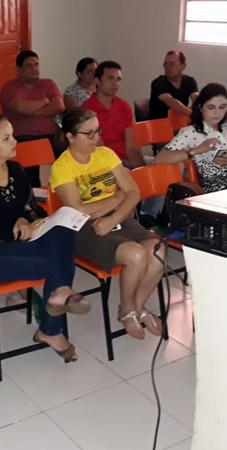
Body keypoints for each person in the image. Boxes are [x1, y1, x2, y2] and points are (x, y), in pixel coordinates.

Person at [0, 115, 88, 362]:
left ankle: (57, 304)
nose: (14, 141)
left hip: (20, 242)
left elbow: (31, 208)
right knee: (55, 263)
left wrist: (25, 220)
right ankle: (52, 325)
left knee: (64, 227)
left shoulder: (16, 170)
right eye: (6, 138)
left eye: (13, 135)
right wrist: (14, 230)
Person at [50, 108, 164, 340]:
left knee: (158, 250)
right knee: (135, 255)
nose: (96, 138)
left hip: (117, 218)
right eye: (89, 133)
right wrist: (118, 197)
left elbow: (134, 191)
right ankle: (126, 309)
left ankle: (138, 306)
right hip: (82, 229)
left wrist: (113, 217)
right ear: (70, 137)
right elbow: (79, 211)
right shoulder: (62, 167)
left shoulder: (106, 154)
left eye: (97, 131)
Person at [156, 83, 227, 192]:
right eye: (211, 107)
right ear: (200, 107)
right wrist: (197, 150)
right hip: (220, 186)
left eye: (222, 107)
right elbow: (160, 159)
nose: (217, 113)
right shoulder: (191, 132)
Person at [0, 50, 65, 186]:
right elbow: (20, 108)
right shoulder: (9, 87)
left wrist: (32, 110)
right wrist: (44, 101)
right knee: (30, 175)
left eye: (36, 65)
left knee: (64, 158)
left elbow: (59, 106)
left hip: (51, 136)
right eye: (29, 66)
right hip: (23, 137)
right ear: (19, 69)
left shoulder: (48, 83)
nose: (34, 69)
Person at [81, 60, 143, 168]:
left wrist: (142, 171)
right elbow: (100, 150)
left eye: (118, 79)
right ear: (97, 81)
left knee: (161, 165)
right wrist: (121, 172)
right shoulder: (87, 109)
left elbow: (131, 148)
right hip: (106, 165)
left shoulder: (124, 106)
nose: (115, 83)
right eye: (110, 78)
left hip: (126, 160)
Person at [148, 50, 199, 120]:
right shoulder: (158, 83)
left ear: (183, 66)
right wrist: (193, 115)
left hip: (179, 121)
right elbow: (171, 102)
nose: (168, 68)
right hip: (160, 123)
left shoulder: (189, 81)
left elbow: (196, 98)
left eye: (172, 64)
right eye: (166, 64)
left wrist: (206, 109)